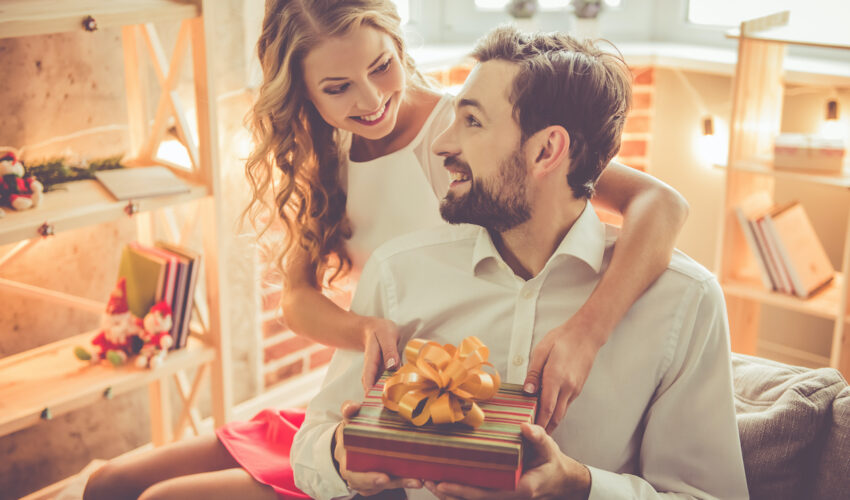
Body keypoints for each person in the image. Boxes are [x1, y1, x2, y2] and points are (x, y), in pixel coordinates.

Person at [84, 0, 688, 498]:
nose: (370, 100)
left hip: (431, 420)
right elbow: (295, 301)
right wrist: (370, 333)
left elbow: (662, 203)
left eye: (381, 67)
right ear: (303, 94)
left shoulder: (465, 134)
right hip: (372, 392)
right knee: (109, 482)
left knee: (160, 498)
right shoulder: (326, 155)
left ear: (400, 47)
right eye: (338, 87)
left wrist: (587, 332)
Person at [291, 26, 748, 500]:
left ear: (547, 150)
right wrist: (339, 456)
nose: (440, 144)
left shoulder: (684, 303)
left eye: (471, 122)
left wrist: (579, 486)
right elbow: (312, 444)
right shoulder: (397, 274)